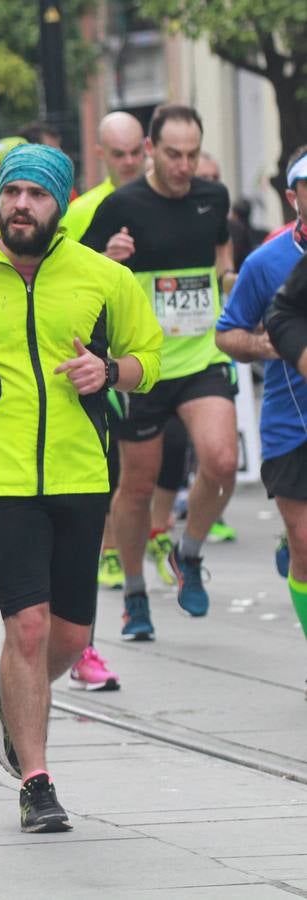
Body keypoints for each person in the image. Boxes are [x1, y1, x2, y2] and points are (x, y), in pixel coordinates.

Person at [0, 143, 162, 832]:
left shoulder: (103, 278)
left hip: (81, 471)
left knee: (69, 640)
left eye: (36, 195)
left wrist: (110, 374)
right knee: (28, 624)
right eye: (11, 192)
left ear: (58, 203)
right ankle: (36, 781)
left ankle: (3, 694)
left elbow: (149, 358)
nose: (20, 205)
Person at [82, 104, 238, 639]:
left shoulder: (211, 196)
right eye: (173, 154)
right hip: (141, 366)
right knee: (138, 485)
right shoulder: (122, 204)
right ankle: (133, 593)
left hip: (200, 357)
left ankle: (187, 552)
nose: (184, 165)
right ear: (151, 151)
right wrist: (108, 255)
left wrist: (227, 275)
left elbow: (220, 242)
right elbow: (77, 277)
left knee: (221, 461)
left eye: (193, 154)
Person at [221, 148, 307, 665]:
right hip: (289, 421)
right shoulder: (267, 261)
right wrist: (268, 345)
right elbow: (227, 334)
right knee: (304, 544)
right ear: (293, 196)